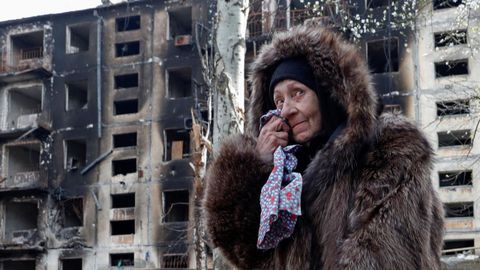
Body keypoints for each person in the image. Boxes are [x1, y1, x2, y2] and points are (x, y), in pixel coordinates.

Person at [203, 24, 444, 270]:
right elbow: (241, 249)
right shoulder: (284, 176)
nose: (286, 109)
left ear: (327, 93)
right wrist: (257, 168)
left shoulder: (389, 146)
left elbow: (387, 254)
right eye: (278, 100)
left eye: (298, 93)